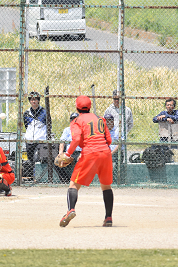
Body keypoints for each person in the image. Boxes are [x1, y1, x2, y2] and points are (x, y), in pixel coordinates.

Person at [58, 96, 114, 228]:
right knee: (106, 187)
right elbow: (109, 140)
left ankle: (71, 210)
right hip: (105, 153)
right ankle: (108, 217)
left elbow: (76, 139)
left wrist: (67, 154)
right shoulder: (100, 118)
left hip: (90, 153)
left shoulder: (77, 120)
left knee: (73, 185)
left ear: (77, 108)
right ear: (89, 107)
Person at [22, 91, 49, 179]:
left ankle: (36, 177)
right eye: (32, 100)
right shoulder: (26, 113)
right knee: (30, 159)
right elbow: (27, 126)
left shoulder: (44, 112)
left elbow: (49, 125)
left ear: (38, 100)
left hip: (40, 141)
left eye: (35, 99)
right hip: (29, 140)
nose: (34, 101)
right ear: (30, 101)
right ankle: (33, 176)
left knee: (37, 158)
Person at [56, 112, 81, 183]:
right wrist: (60, 153)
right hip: (69, 153)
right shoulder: (67, 130)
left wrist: (82, 153)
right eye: (72, 119)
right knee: (58, 162)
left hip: (80, 152)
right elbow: (62, 142)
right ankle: (65, 180)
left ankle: (80, 180)